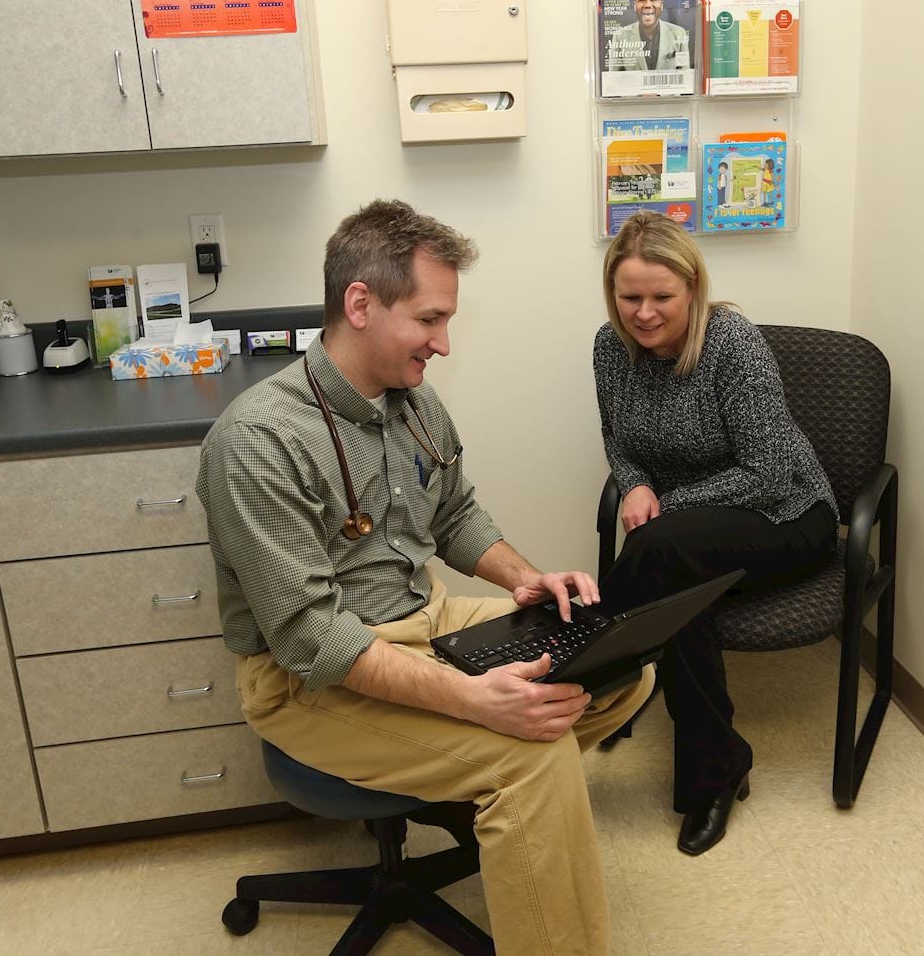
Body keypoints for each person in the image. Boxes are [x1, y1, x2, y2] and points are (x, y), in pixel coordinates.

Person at [198, 199, 653, 955]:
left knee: (614, 665)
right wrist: (477, 702)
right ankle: (512, 802)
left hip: (424, 619)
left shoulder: (413, 402)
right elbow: (314, 637)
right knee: (530, 755)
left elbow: (456, 516)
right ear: (360, 304)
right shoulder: (257, 441)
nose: (444, 343)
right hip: (309, 676)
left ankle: (499, 811)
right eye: (430, 319)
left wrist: (528, 581)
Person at [592, 210, 838, 856]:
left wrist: (665, 503)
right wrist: (636, 483)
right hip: (687, 534)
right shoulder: (608, 347)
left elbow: (768, 471)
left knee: (663, 550)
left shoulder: (733, 342)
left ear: (693, 289)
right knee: (680, 592)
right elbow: (618, 438)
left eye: (661, 297)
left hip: (784, 515)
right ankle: (716, 772)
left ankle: (588, 665)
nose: (644, 313)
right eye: (630, 297)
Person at [607, 0, 691, 72]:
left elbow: (685, 75)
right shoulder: (620, 36)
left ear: (661, 5)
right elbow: (614, 79)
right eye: (642, 0)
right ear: (635, 6)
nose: (647, 5)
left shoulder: (679, 33)